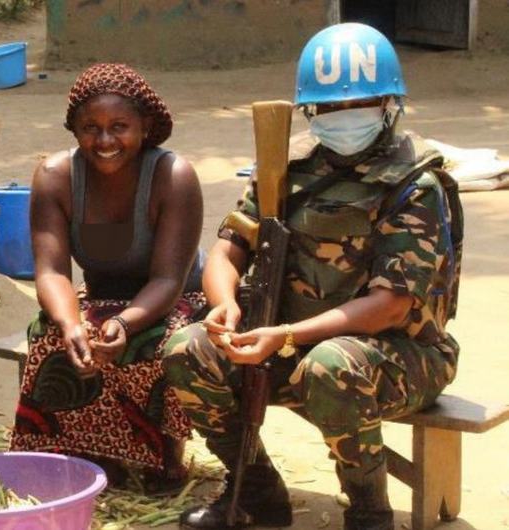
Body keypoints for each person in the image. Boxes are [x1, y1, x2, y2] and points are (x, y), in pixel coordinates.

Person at [163, 23, 463, 530]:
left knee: (330, 366)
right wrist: (223, 303)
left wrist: (284, 335)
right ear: (310, 111)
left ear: (391, 105)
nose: (343, 117)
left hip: (402, 356)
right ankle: (256, 492)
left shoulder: (415, 184)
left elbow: (390, 306)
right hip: (287, 343)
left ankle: (369, 512)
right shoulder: (285, 167)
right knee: (185, 348)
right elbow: (226, 251)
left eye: (359, 105)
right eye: (328, 108)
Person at [10, 63, 206, 489]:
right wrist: (70, 323)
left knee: (157, 342)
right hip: (100, 294)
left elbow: (169, 280)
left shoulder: (174, 177)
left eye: (120, 126)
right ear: (74, 129)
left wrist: (123, 322)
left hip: (175, 296)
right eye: (90, 128)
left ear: (145, 127)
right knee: (48, 335)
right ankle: (82, 450)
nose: (104, 141)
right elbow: (51, 271)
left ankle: (162, 454)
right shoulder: (56, 177)